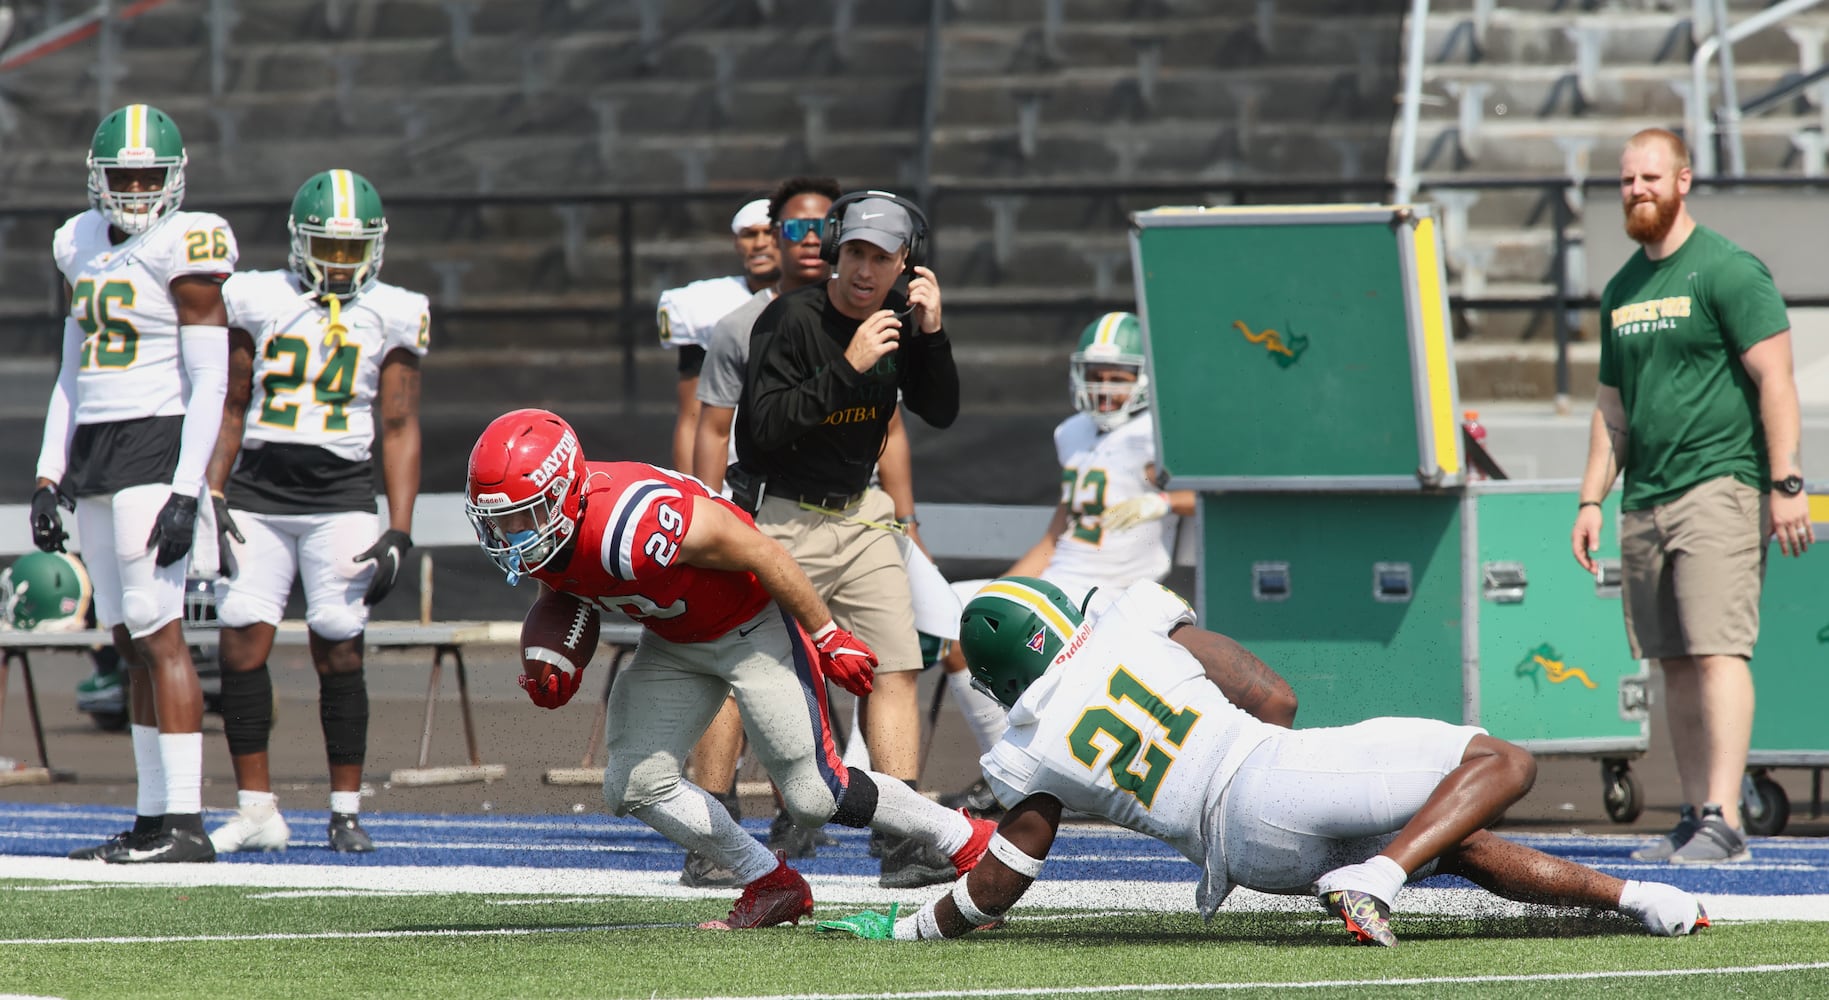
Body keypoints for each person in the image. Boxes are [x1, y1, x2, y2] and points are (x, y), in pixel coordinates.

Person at [817, 576, 1711, 945]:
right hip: (1268, 775)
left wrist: (913, 928)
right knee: (1499, 762)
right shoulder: (1125, 625)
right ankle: (1380, 879)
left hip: (1241, 858)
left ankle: (1638, 902)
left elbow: (1006, 876)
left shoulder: (1026, 750)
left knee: (1458, 837)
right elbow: (1274, 697)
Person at [463, 407, 995, 927]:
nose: (510, 534)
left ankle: (969, 840)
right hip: (674, 641)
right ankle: (769, 882)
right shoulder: (552, 535)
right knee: (634, 784)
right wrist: (553, 657)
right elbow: (562, 583)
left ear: (566, 492)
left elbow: (762, 552)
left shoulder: (638, 521)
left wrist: (826, 633)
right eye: (498, 519)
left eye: (522, 515)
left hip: (751, 627)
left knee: (814, 796)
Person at [1572, 129, 1811, 866]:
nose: (1635, 190)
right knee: (1671, 660)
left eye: (1648, 177)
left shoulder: (1726, 270)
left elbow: (1776, 378)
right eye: (1624, 180)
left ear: (1682, 181)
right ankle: (1689, 813)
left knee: (1716, 652)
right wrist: (1589, 501)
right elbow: (1611, 409)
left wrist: (1786, 484)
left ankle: (1724, 818)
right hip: (1644, 497)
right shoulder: (1620, 289)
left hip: (1719, 488)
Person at [692, 175, 935, 874]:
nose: (811, 241)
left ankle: (896, 832)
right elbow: (713, 427)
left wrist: (906, 514)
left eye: (819, 227)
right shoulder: (748, 324)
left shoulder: (877, 314)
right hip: (764, 511)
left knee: (892, 661)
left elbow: (891, 424)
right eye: (795, 229)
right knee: (745, 668)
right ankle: (716, 826)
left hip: (856, 511)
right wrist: (703, 514)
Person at [201, 169, 427, 855]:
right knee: (240, 637)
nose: (339, 261)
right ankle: (255, 807)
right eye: (326, 246)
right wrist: (212, 490)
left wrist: (399, 527)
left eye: (352, 248)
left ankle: (345, 808)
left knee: (338, 640)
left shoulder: (393, 308)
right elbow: (232, 402)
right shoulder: (258, 297)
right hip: (261, 492)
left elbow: (398, 423)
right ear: (300, 243)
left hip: (340, 496)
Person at [32, 103, 235, 863]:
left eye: (151, 176)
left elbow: (210, 377)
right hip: (95, 450)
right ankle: (154, 816)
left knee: (160, 632)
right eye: (125, 176)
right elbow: (70, 369)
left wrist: (188, 487)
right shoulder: (78, 241)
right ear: (98, 178)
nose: (138, 189)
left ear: (175, 179)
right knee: (125, 640)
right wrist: (50, 473)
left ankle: (186, 822)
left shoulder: (188, 242)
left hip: (155, 440)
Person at [933, 311, 1195, 816]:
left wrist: (1163, 501)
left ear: (1143, 378)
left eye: (1117, 376)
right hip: (1060, 583)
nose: (1104, 387)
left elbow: (1211, 496)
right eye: (1096, 374)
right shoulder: (1072, 433)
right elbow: (1057, 535)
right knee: (952, 620)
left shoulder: (1158, 433)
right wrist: (996, 596)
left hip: (1114, 592)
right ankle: (1006, 767)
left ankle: (1012, 776)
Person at [658, 198, 778, 473]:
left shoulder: (830, 294)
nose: (759, 243)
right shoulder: (703, 304)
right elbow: (691, 416)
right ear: (737, 243)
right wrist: (690, 494)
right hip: (729, 474)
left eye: (769, 233)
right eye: (749, 234)